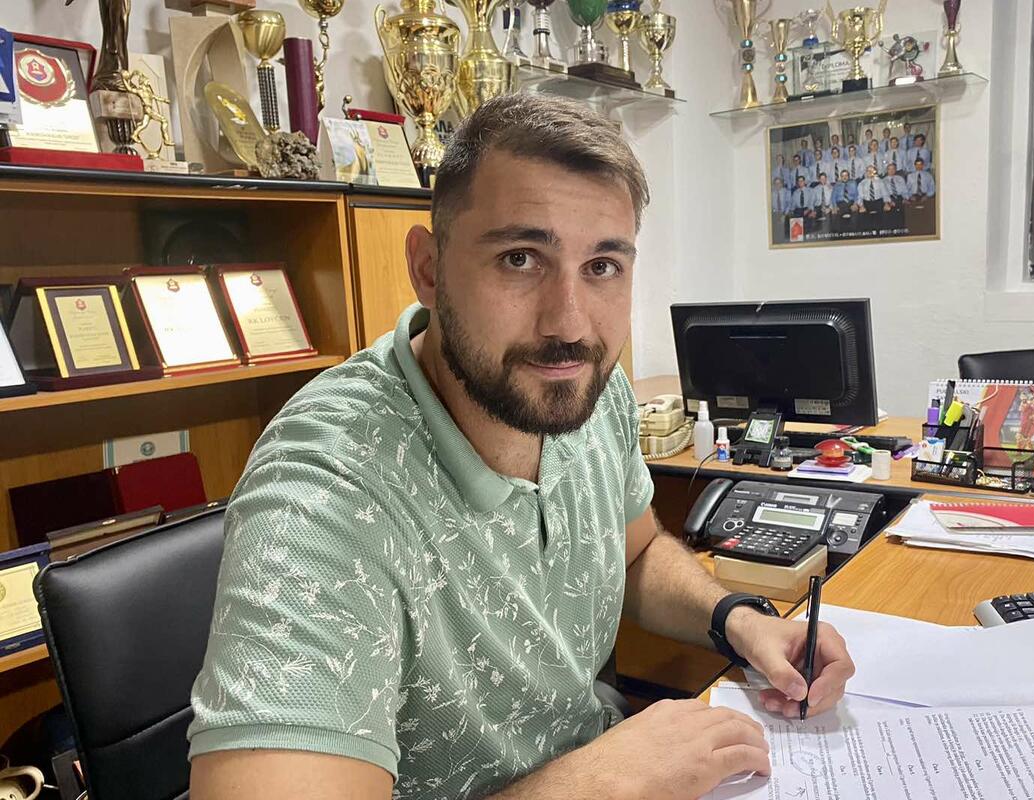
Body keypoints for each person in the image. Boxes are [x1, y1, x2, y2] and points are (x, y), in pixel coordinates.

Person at [187, 94, 854, 800]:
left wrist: (739, 622)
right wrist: (604, 779)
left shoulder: (588, 391)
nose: (569, 324)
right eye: (520, 258)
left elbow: (633, 554)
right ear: (429, 268)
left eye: (602, 266)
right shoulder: (326, 489)